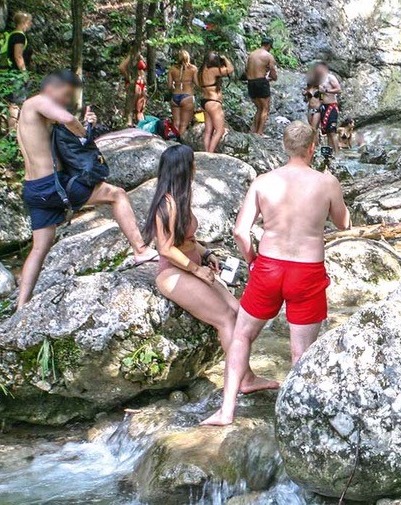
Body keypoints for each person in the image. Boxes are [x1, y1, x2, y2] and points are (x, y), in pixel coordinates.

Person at [201, 121, 350, 427]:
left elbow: (240, 232)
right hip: (306, 271)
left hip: (268, 266)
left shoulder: (263, 182)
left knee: (242, 335)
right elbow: (344, 223)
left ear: (284, 147)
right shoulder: (326, 182)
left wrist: (252, 259)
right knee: (300, 353)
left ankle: (226, 411)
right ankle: (296, 422)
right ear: (312, 148)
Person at [15, 71, 156, 306]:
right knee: (117, 194)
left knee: (39, 247)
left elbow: (60, 133)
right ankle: (140, 250)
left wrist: (87, 124)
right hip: (53, 186)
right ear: (52, 87)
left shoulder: (27, 114)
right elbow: (68, 121)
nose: (65, 101)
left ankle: (21, 304)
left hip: (34, 189)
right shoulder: (39, 101)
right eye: (65, 95)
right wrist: (83, 134)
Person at [146, 144, 277, 394]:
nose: (196, 167)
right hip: (173, 274)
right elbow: (165, 249)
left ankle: (241, 372)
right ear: (185, 169)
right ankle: (244, 380)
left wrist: (207, 254)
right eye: (193, 163)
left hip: (191, 267)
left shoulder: (181, 198)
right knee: (225, 319)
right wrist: (197, 270)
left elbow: (186, 239)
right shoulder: (166, 204)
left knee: (239, 312)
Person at [0, 11, 33, 129]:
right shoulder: (19, 36)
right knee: (15, 104)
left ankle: (4, 129)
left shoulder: (11, 34)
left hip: (7, 73)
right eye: (29, 22)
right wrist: (24, 74)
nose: (31, 24)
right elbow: (18, 56)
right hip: (15, 75)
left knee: (7, 102)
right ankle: (12, 132)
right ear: (24, 22)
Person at [198, 51, 235, 153]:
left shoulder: (201, 72)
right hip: (214, 103)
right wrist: (225, 58)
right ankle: (210, 153)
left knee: (208, 131)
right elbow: (230, 69)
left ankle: (206, 152)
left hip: (205, 102)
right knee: (220, 130)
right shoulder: (213, 70)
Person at [245, 36, 278, 136]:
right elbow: (273, 73)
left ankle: (253, 131)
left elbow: (246, 70)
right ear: (269, 45)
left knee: (259, 108)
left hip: (250, 82)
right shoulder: (268, 56)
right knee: (265, 108)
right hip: (261, 82)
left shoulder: (251, 54)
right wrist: (273, 78)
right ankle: (260, 132)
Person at [316, 61, 343, 162]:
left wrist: (327, 91)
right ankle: (329, 154)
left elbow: (339, 89)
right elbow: (321, 94)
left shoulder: (330, 77)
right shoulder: (319, 80)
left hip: (332, 106)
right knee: (327, 131)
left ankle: (337, 154)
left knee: (332, 131)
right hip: (324, 106)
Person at [168, 50, 199, 135]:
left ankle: (173, 141)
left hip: (175, 96)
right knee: (184, 124)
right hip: (187, 96)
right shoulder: (193, 69)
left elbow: (169, 86)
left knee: (176, 122)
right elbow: (197, 84)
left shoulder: (172, 69)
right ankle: (179, 141)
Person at [120, 50, 148, 124]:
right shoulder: (131, 56)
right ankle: (128, 125)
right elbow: (121, 67)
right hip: (135, 84)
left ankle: (141, 129)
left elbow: (144, 68)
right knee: (132, 109)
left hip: (142, 84)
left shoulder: (139, 56)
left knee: (140, 110)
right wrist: (129, 79)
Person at [302, 68, 323, 133]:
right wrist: (305, 94)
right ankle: (312, 142)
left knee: (314, 129)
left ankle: (315, 143)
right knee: (310, 128)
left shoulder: (320, 88)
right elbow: (306, 100)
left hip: (317, 110)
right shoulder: (308, 89)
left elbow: (322, 99)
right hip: (310, 109)